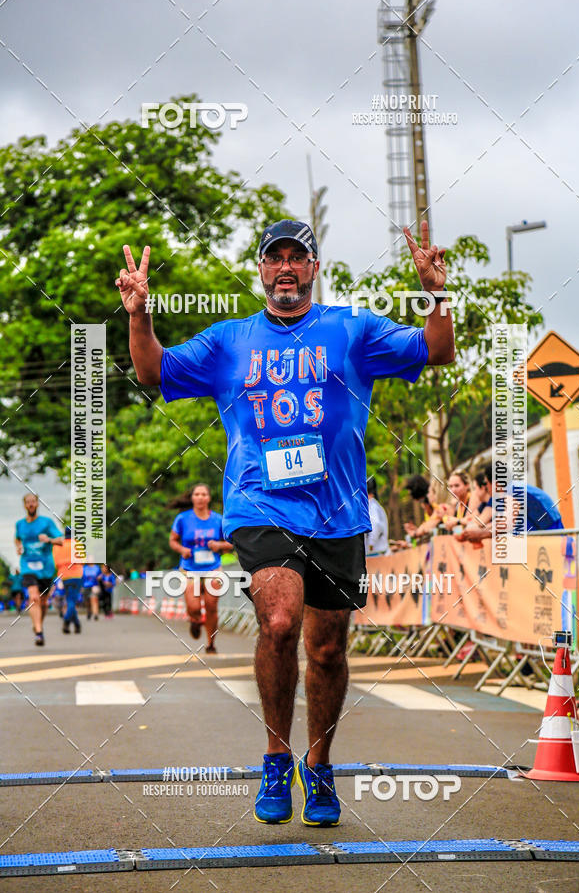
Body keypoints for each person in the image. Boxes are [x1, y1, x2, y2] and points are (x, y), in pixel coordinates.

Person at [118, 217, 454, 827]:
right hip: (260, 503)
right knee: (278, 621)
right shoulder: (229, 341)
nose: (286, 267)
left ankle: (319, 766)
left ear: (314, 268)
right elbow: (152, 372)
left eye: (297, 257)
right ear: (262, 270)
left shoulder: (350, 329)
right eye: (275, 258)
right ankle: (276, 757)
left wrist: (435, 295)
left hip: (338, 510)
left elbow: (435, 350)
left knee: (326, 649)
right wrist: (139, 315)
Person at [170, 482, 234, 650]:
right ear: (192, 498)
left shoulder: (219, 519)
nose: (200, 497)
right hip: (189, 568)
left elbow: (231, 543)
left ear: (209, 498)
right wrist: (182, 549)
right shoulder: (183, 519)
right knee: (194, 607)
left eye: (203, 494)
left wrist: (219, 546)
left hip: (213, 567)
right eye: (197, 494)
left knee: (211, 606)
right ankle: (195, 620)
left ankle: (211, 643)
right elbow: (172, 541)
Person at [14, 493, 63, 646]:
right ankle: (39, 633)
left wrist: (48, 539)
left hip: (46, 568)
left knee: (43, 602)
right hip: (27, 565)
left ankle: (37, 625)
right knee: (33, 597)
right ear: (24, 505)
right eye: (28, 502)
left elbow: (61, 540)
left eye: (33, 502)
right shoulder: (20, 524)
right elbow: (17, 538)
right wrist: (19, 547)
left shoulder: (46, 523)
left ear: (37, 504)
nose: (31, 504)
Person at [52, 528, 84, 634]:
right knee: (72, 601)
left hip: (64, 576)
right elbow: (82, 561)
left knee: (70, 600)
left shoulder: (57, 546)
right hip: (76, 575)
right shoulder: (77, 544)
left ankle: (77, 625)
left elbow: (56, 563)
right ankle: (66, 621)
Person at [364, 478, 390, 557]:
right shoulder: (374, 505)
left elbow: (375, 524)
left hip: (375, 553)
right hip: (376, 552)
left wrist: (371, 545)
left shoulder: (372, 506)